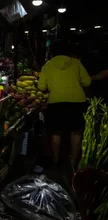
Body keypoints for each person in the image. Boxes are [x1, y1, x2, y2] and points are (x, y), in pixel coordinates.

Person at [38, 40, 91, 171]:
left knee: (57, 132)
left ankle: (55, 160)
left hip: (56, 102)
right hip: (78, 102)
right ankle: (73, 160)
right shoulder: (76, 63)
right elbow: (87, 82)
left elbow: (41, 87)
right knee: (76, 132)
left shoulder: (48, 66)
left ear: (52, 52)